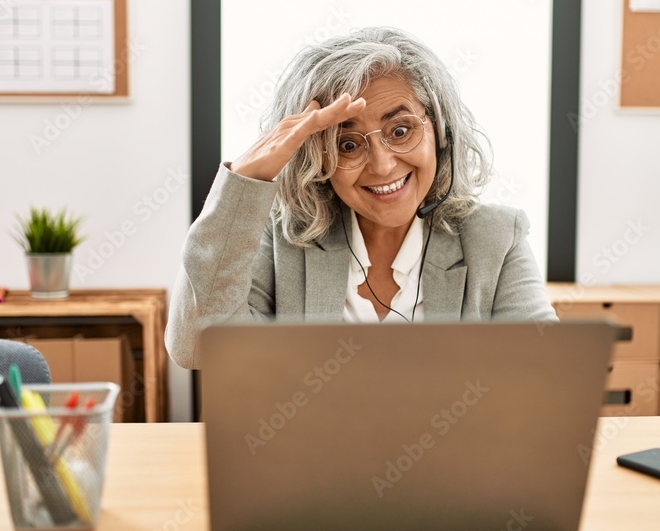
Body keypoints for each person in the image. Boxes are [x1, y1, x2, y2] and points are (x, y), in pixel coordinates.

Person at [166, 27, 557, 369]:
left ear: (441, 131)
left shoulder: (496, 237)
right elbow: (197, 347)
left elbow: (545, 373)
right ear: (318, 159)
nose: (383, 166)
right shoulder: (280, 240)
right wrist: (245, 179)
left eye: (400, 130)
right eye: (348, 144)